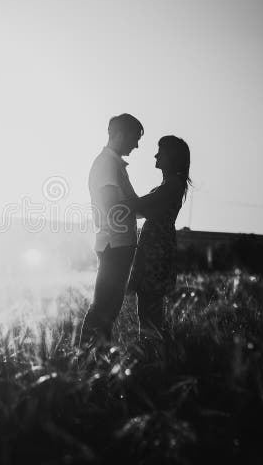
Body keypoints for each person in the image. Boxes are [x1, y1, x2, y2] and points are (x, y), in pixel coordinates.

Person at [79, 113, 143, 348]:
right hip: (115, 244)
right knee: (104, 306)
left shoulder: (114, 163)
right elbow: (110, 205)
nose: (136, 145)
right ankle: (86, 361)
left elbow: (130, 205)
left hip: (117, 244)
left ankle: (98, 359)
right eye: (134, 138)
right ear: (119, 134)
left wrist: (151, 205)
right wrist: (143, 204)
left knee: (109, 307)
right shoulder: (107, 164)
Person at [126, 135, 191, 335]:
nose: (156, 155)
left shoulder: (172, 185)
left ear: (171, 157)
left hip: (156, 251)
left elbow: (138, 207)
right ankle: (151, 355)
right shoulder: (170, 185)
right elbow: (139, 211)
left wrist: (123, 180)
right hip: (156, 248)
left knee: (149, 311)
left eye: (160, 152)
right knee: (148, 309)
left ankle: (151, 356)